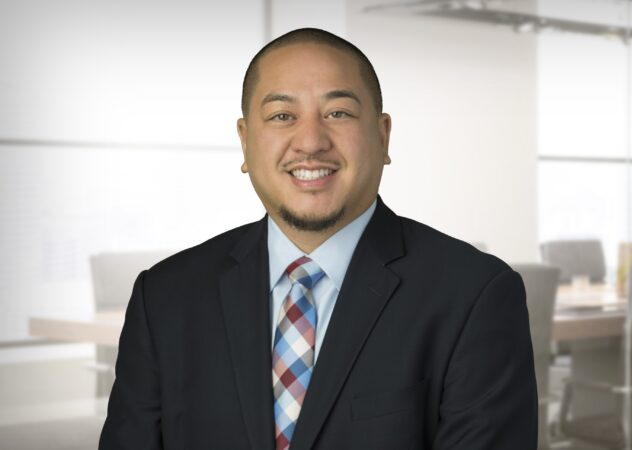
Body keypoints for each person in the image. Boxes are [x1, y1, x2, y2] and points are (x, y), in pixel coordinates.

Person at [100, 28, 536, 450]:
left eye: (338, 113)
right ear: (245, 141)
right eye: (282, 116)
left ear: (383, 136)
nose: (310, 142)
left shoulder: (473, 295)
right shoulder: (165, 297)